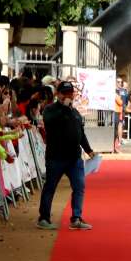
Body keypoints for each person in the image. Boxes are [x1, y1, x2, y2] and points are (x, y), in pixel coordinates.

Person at [36, 81, 95, 231]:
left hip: (74, 158)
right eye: (65, 93)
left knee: (79, 186)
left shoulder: (75, 112)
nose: (68, 96)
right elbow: (50, 122)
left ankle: (76, 218)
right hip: (55, 157)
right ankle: (43, 218)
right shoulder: (50, 110)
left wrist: (89, 150)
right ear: (58, 94)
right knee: (50, 187)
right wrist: (64, 108)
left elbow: (80, 134)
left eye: (70, 93)